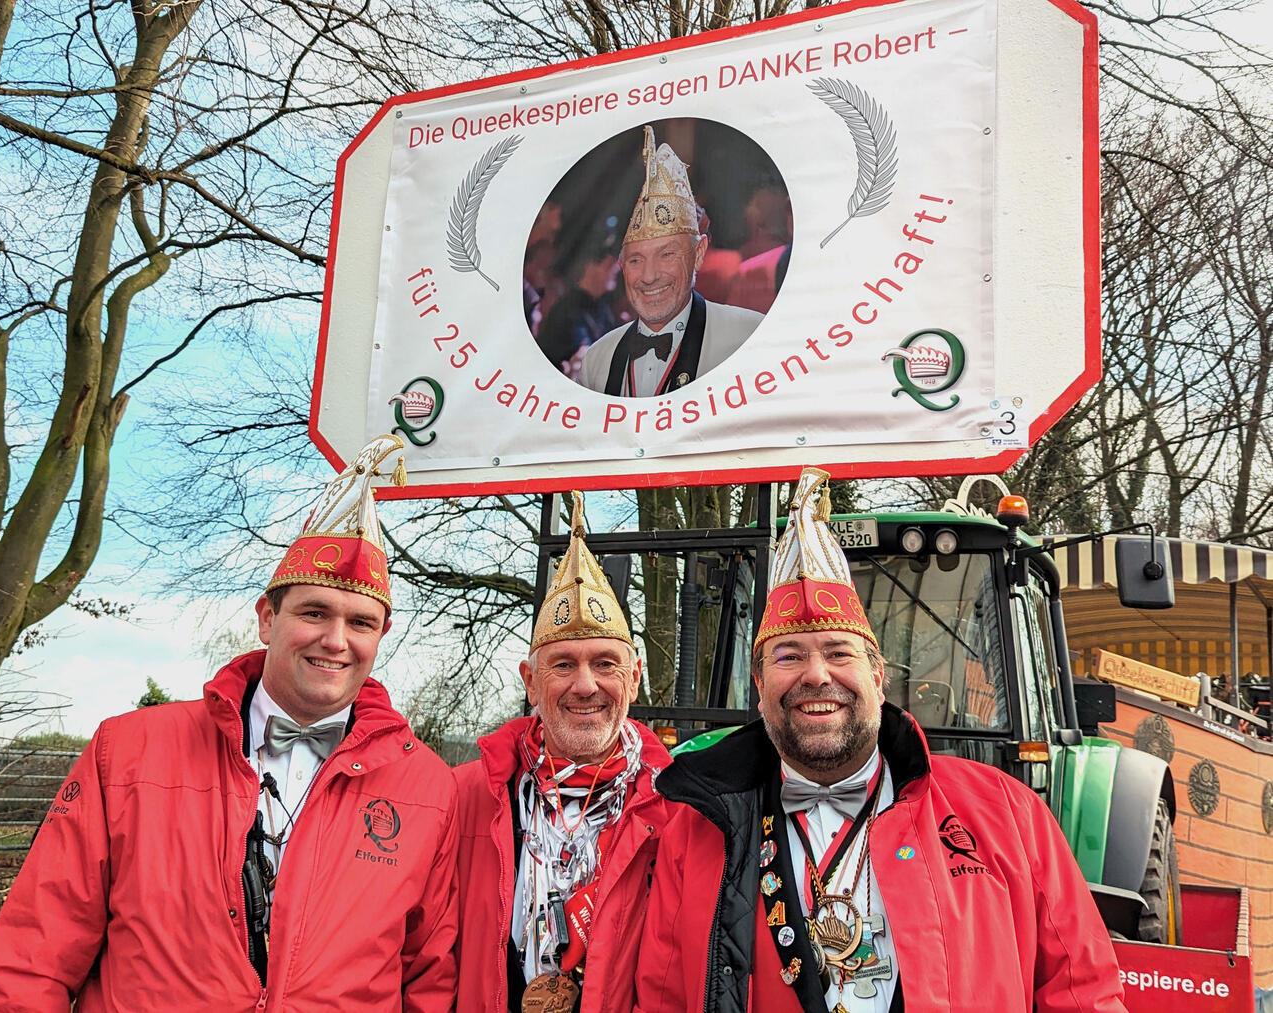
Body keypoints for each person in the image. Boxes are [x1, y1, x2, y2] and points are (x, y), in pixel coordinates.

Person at [0, 435, 459, 1011]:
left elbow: (429, 977)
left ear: (381, 637)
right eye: (314, 612)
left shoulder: (429, 786)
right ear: (266, 618)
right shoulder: (126, 752)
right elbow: (35, 952)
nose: (335, 640)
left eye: (361, 623)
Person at [633, 468, 1126, 1012]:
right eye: (789, 655)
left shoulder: (1009, 814)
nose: (816, 676)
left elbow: (1082, 993)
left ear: (879, 676)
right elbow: (663, 995)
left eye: (839, 653)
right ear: (758, 685)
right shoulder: (693, 831)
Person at [454, 491, 671, 1012]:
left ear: (634, 678)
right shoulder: (464, 796)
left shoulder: (681, 805)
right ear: (530, 681)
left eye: (605, 664)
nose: (585, 685)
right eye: (562, 665)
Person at [578, 125, 763, 398]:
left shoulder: (749, 337)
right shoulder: (596, 361)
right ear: (620, 266)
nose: (649, 276)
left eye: (666, 254)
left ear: (698, 254)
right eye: (635, 260)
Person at [536, 239, 620, 376]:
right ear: (589, 266)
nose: (614, 269)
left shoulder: (604, 312)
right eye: (608, 263)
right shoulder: (567, 309)